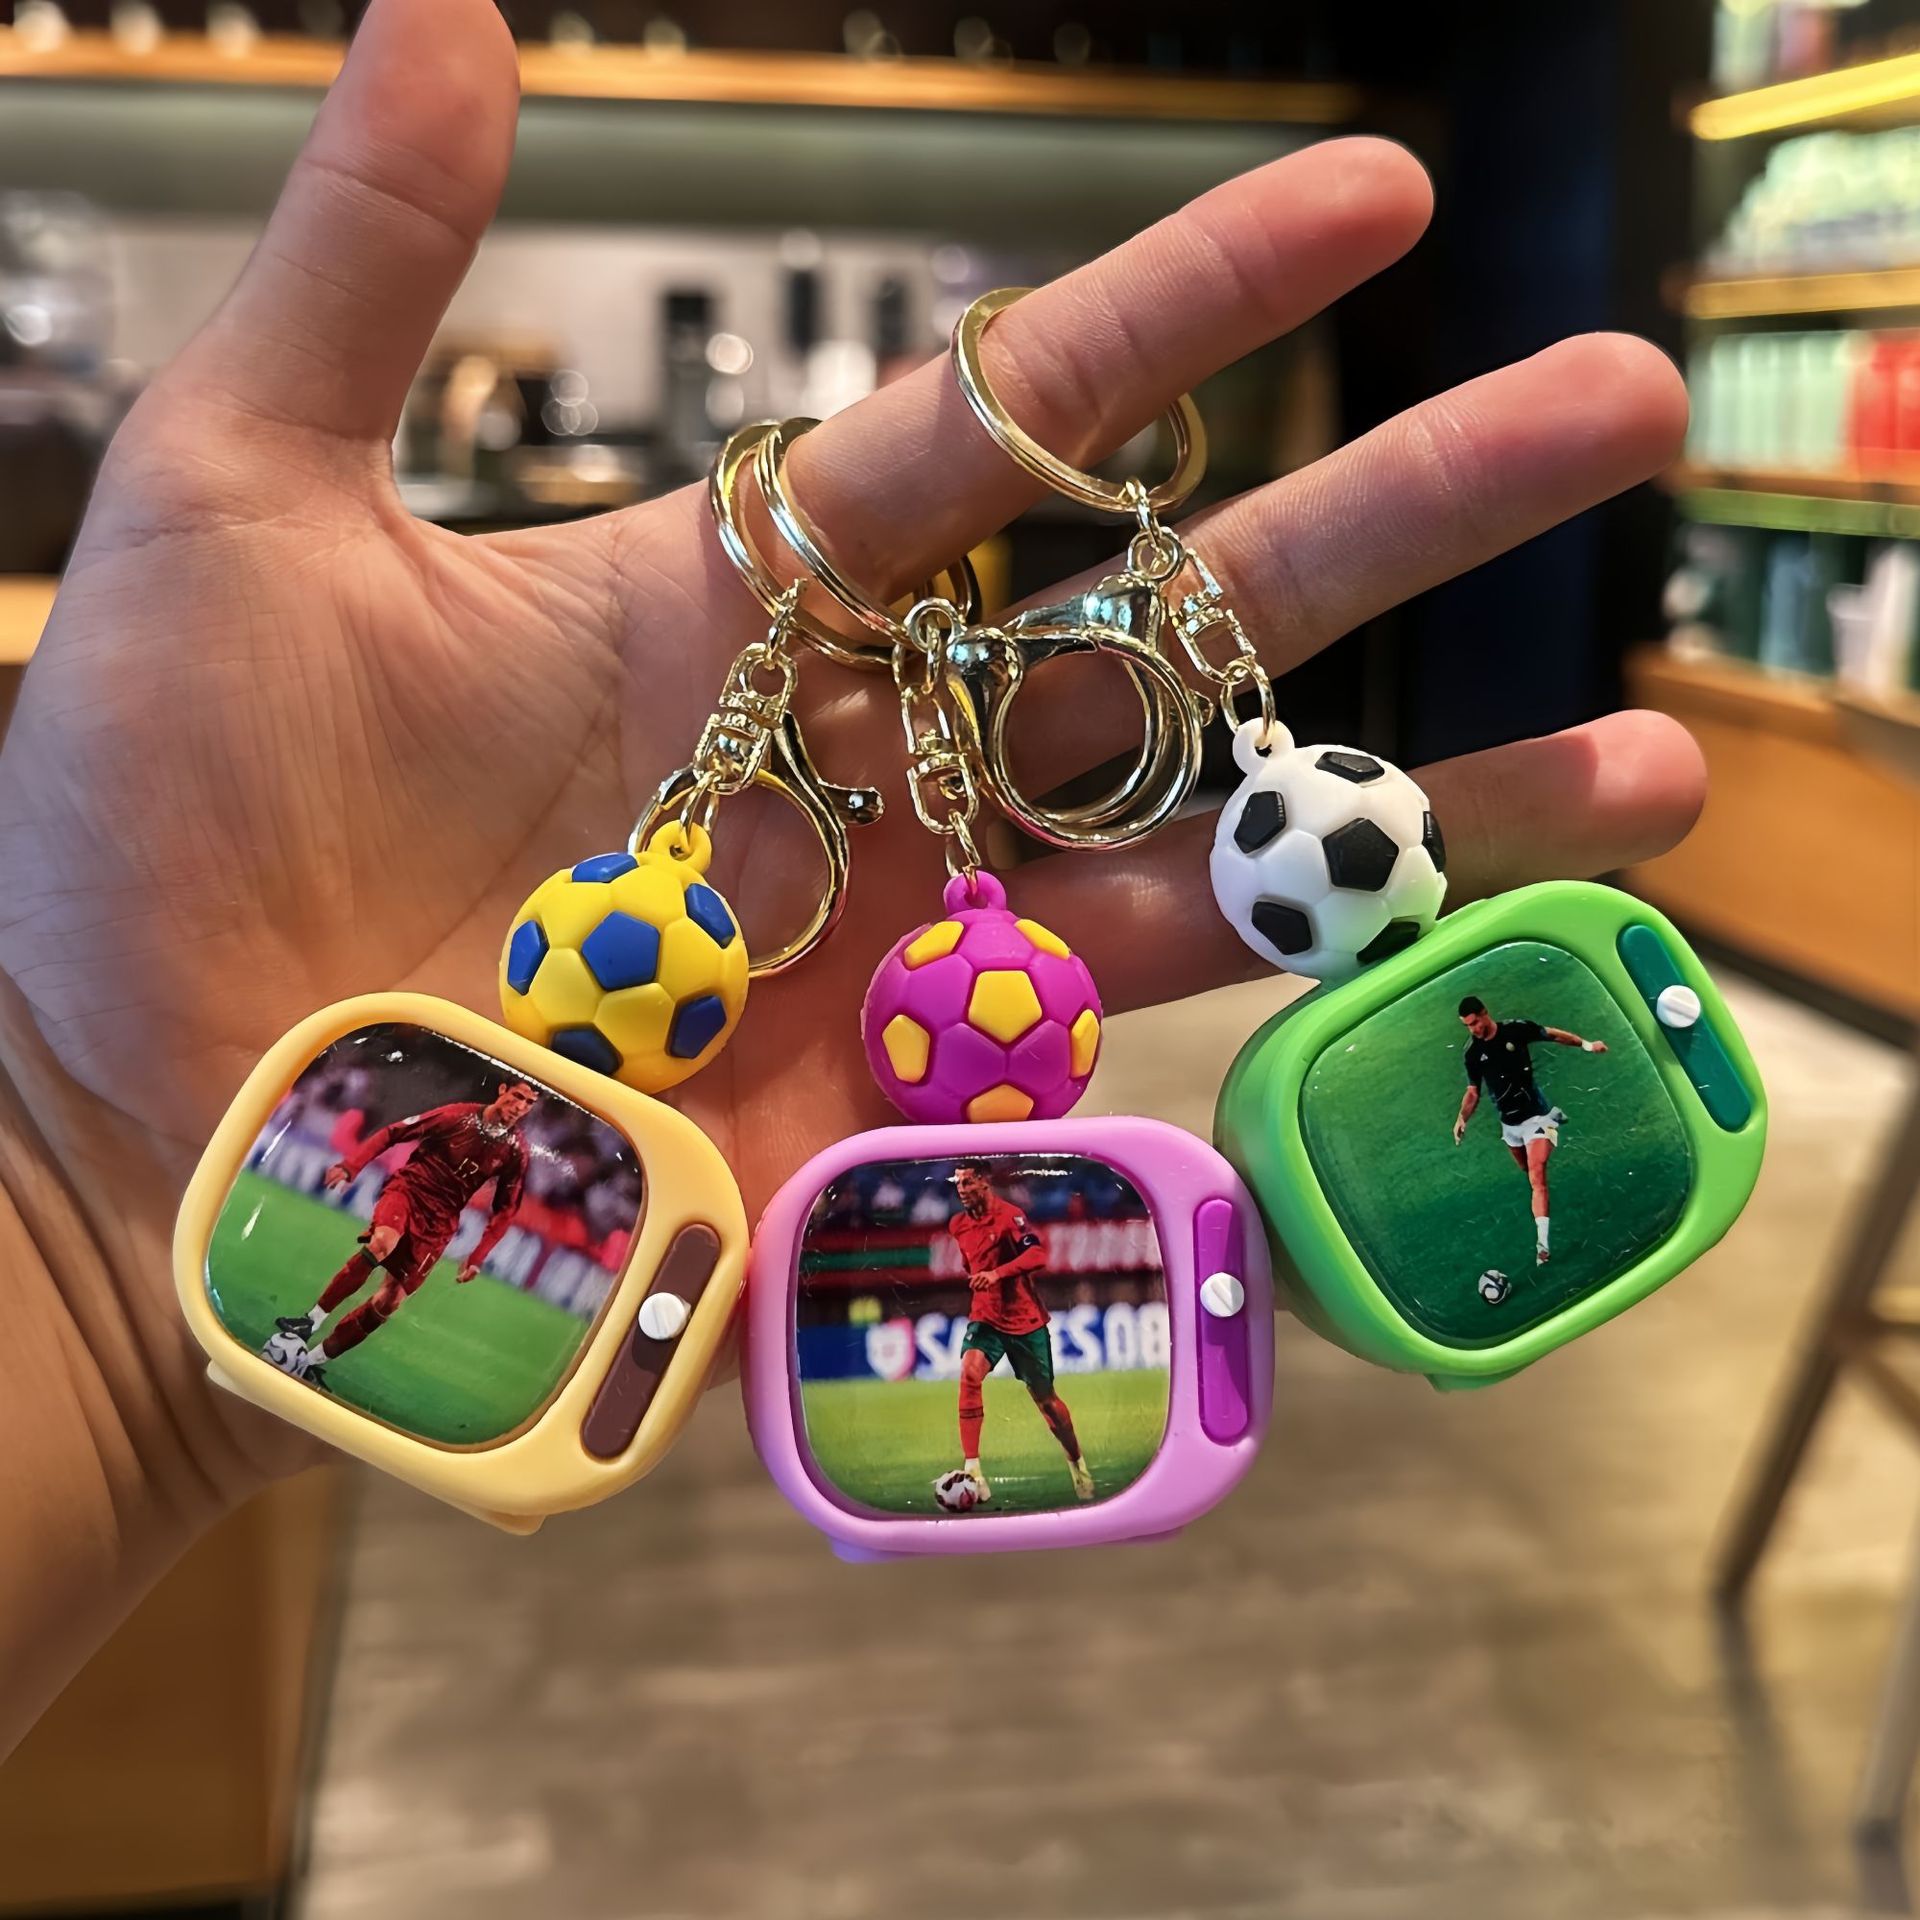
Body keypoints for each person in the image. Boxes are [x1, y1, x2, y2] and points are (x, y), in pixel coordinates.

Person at [0, 0, 1706, 1755]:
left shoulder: (820, 1173)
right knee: (965, 1377)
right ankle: (997, 1445)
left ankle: (1024, 1445)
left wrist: (69, 1220)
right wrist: (61, 1200)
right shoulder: (537, 1111)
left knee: (1005, 1378)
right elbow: (399, 1157)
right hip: (598, 1097)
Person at [267, 1079, 536, 1386]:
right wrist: (351, 1166)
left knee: (390, 1301)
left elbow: (506, 1209)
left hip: (440, 1221)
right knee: (383, 1243)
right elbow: (393, 1132)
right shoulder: (456, 1116)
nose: (520, 1107)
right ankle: (311, 1321)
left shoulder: (516, 1151)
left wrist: (478, 1256)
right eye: (517, 1096)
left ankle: (311, 1361)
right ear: (502, 1090)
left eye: (529, 1103)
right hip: (409, 1191)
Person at [947, 1163, 1092, 1504]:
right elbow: (970, 1265)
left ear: (984, 1182)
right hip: (986, 1317)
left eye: (967, 1181)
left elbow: (1038, 1254)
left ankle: (1077, 1464)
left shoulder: (1010, 1217)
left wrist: (996, 1274)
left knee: (1047, 1402)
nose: (961, 1188)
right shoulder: (957, 1225)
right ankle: (973, 1470)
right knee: (970, 1373)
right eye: (957, 1182)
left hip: (1025, 1321)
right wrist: (983, 1280)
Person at [1452, 995, 1608, 1272]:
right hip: (1510, 1126)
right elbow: (1473, 1092)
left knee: (1537, 1177)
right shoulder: (1472, 1053)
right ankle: (1554, 1122)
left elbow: (1552, 1035)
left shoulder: (1516, 1029)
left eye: (1475, 1022)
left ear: (1485, 1012)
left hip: (1535, 1115)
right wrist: (1462, 1118)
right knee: (1526, 1171)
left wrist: (1588, 1045)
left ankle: (1542, 1245)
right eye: (1468, 1026)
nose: (1473, 1029)